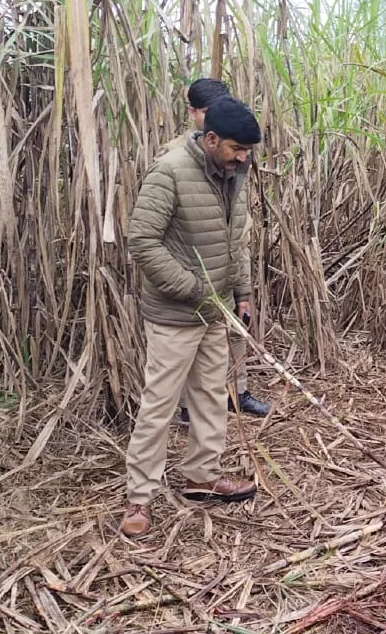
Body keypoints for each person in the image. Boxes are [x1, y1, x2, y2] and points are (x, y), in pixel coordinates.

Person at [120, 96, 262, 537]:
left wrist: (242, 293)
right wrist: (195, 290)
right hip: (175, 314)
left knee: (208, 396)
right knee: (159, 405)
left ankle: (202, 476)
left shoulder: (234, 173)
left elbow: (234, 241)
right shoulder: (169, 171)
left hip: (215, 310)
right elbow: (142, 242)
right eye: (237, 149)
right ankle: (138, 499)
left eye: (248, 151)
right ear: (211, 138)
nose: (244, 158)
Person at [170, 78, 271, 421]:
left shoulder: (233, 153)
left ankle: (236, 392)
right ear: (193, 114)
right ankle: (187, 407)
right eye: (209, 114)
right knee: (189, 345)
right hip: (193, 273)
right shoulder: (174, 159)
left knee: (236, 328)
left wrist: (242, 284)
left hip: (228, 259)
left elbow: (237, 211)